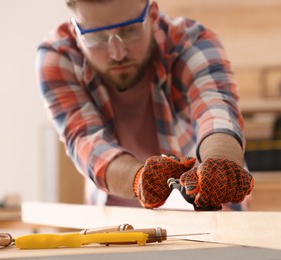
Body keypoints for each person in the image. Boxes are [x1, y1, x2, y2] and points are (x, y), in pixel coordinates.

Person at [36, 0, 254, 210]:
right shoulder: (58, 58)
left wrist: (221, 162)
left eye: (130, 30)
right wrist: (140, 180)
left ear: (152, 15)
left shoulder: (191, 41)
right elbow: (87, 142)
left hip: (212, 204)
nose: (117, 53)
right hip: (118, 215)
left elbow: (216, 109)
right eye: (96, 38)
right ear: (75, 31)